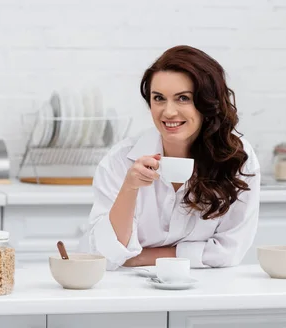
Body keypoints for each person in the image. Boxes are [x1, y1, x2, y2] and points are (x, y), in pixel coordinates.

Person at [77, 45, 260, 270]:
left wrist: (143, 257)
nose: (168, 112)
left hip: (206, 288)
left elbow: (229, 251)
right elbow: (103, 254)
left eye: (183, 98)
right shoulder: (120, 161)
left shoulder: (238, 159)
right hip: (129, 290)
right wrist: (129, 188)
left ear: (207, 103)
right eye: (159, 98)